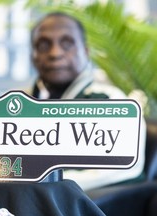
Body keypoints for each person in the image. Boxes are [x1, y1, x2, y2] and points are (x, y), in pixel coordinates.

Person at [29, 11, 146, 191]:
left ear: (85, 52)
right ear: (33, 55)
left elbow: (123, 169)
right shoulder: (17, 103)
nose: (55, 53)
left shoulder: (111, 102)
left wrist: (42, 181)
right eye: (43, 45)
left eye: (67, 43)